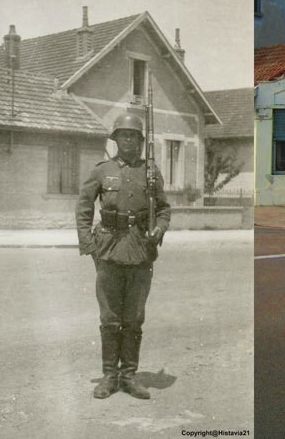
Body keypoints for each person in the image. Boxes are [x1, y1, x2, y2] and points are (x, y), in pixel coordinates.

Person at [75, 113, 170, 400]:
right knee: (109, 317)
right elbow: (83, 207)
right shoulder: (102, 171)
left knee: (134, 317)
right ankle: (109, 376)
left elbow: (164, 209)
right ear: (116, 139)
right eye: (124, 135)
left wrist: (159, 229)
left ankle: (129, 376)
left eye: (134, 136)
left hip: (141, 251)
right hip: (108, 251)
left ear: (141, 141)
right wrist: (88, 244)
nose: (129, 140)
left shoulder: (151, 172)